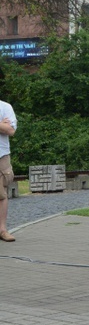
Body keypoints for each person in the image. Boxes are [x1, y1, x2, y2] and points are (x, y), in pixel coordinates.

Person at [0, 98, 16, 242]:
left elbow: (10, 130)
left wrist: (5, 127)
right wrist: (1, 125)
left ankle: (2, 230)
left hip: (1, 155)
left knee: (2, 194)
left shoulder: (5, 107)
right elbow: (4, 128)